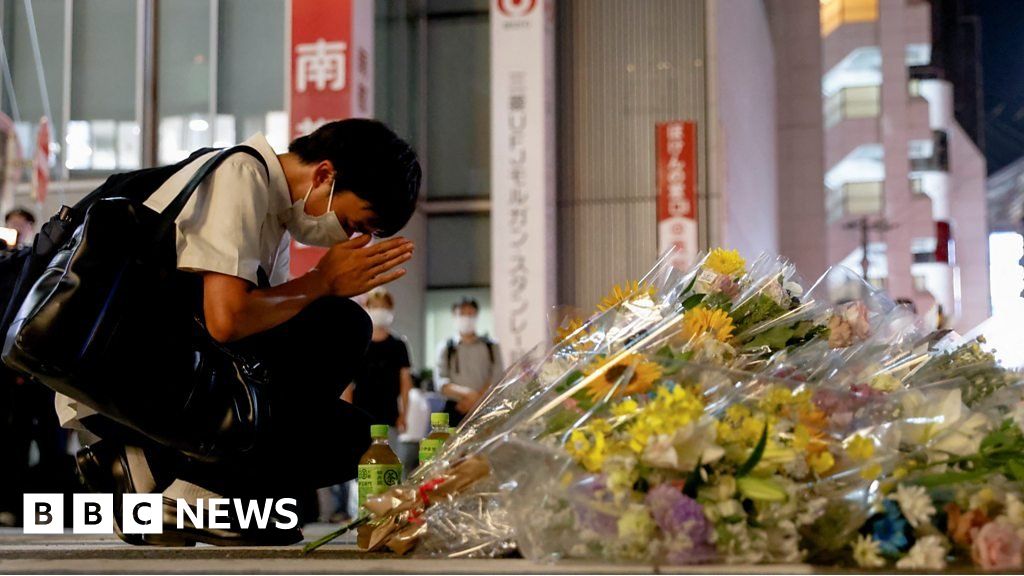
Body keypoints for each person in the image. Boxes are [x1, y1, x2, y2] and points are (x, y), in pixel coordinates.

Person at [67, 118, 421, 546]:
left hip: (180, 376)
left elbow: (263, 339)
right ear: (325, 175)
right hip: (128, 369)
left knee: (358, 441)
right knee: (343, 325)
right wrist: (321, 284)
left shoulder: (277, 221)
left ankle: (150, 474)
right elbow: (227, 320)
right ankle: (194, 489)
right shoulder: (241, 174)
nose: (351, 240)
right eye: (354, 224)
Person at [341, 288, 416, 468]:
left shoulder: (398, 345)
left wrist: (404, 414)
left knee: (389, 468)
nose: (379, 310)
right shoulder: (358, 344)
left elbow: (406, 383)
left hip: (389, 415)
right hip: (362, 416)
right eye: (375, 306)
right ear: (367, 308)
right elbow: (347, 386)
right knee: (363, 471)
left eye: (383, 306)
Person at [434, 297, 504, 427]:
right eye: (462, 314)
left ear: (477, 316)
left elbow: (497, 376)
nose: (466, 318)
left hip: (484, 408)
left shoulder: (491, 346)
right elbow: (441, 383)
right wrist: (469, 395)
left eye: (470, 314)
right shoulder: (445, 347)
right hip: (456, 408)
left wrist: (477, 400)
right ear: (454, 316)